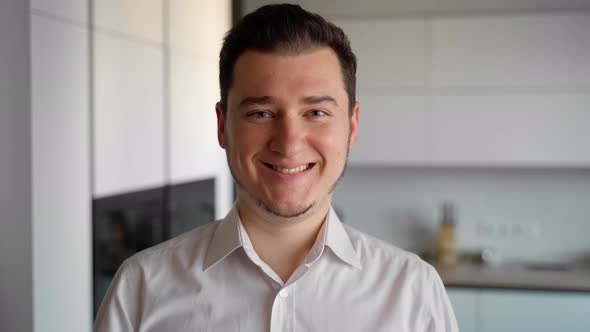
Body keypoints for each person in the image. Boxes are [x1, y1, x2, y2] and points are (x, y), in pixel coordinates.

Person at [94, 4, 459, 331]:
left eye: (316, 112)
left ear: (351, 126)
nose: (288, 143)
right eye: (261, 113)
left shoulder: (413, 292)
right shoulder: (141, 289)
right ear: (222, 126)